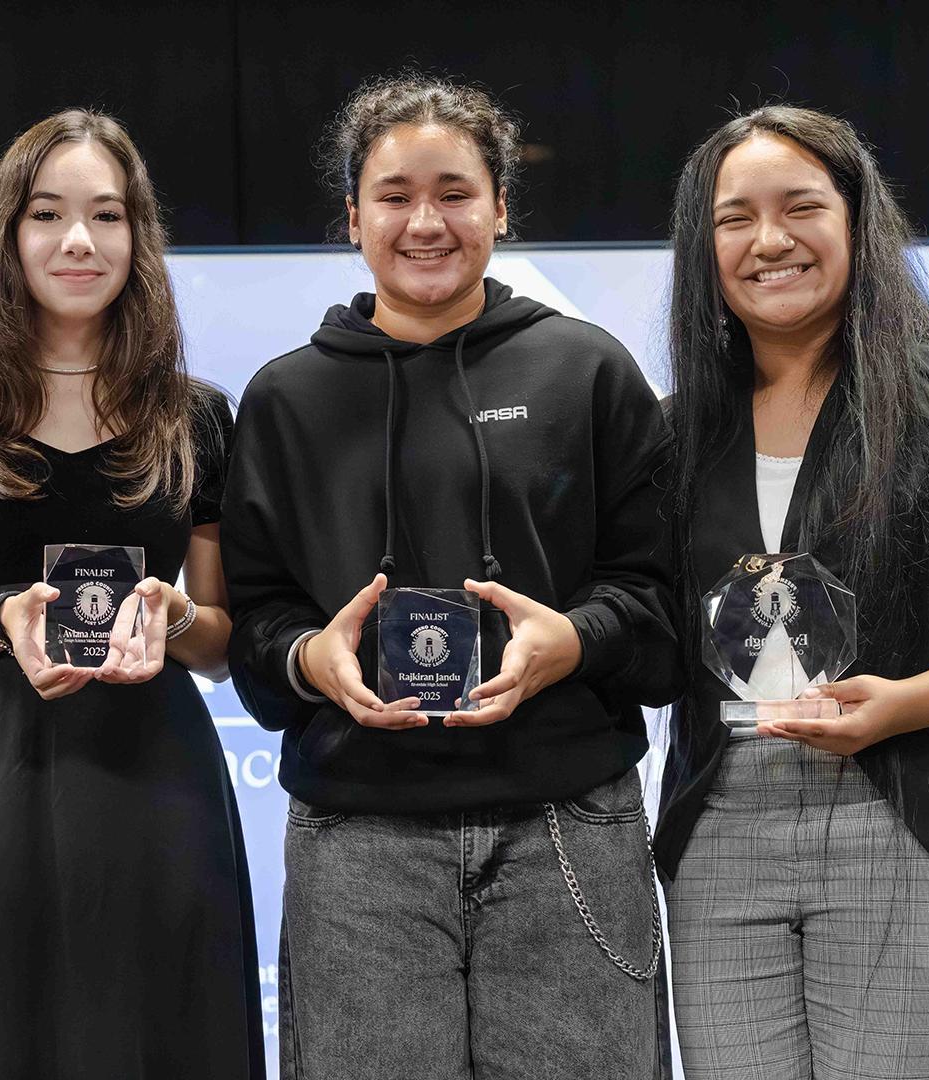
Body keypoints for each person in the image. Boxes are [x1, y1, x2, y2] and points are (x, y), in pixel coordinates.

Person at [221, 73, 680, 1079]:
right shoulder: (285, 400)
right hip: (358, 838)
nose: (425, 221)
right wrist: (311, 657)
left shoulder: (588, 371)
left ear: (502, 206)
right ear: (351, 217)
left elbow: (661, 608)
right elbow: (248, 625)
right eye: (393, 195)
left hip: (568, 821)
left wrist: (576, 640)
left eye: (456, 192)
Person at [653, 105, 929, 1079]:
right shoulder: (671, 433)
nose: (769, 240)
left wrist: (900, 706)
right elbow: (646, 633)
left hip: (897, 817)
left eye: (800, 207)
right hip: (721, 824)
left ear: (857, 221)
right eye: (736, 218)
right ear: (705, 247)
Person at [0, 109, 264, 1080]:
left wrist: (172, 617)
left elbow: (220, 638)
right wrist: (1, 620)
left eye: (106, 216)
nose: (78, 240)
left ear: (140, 238)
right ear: (9, 234)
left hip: (161, 784)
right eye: (47, 215)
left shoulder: (199, 416)